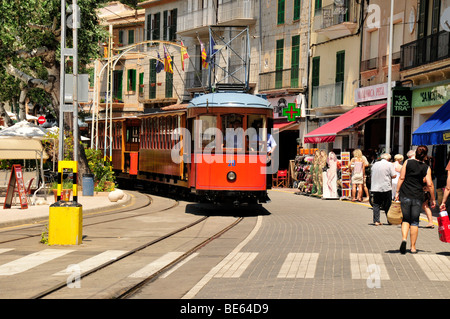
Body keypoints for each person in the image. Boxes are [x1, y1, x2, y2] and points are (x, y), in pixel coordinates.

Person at [394, 145, 436, 254]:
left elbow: (401, 178)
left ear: (416, 153)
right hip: (418, 196)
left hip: (405, 194)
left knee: (405, 219)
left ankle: (404, 239)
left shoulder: (408, 162)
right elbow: (430, 184)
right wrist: (433, 198)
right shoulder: (426, 167)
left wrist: (397, 192)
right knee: (415, 221)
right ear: (425, 155)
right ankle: (413, 247)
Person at [371, 153, 397, 226]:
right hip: (386, 187)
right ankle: (389, 220)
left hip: (375, 187)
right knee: (387, 204)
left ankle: (376, 221)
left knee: (376, 204)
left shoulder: (375, 164)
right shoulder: (390, 164)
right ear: (388, 159)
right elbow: (394, 175)